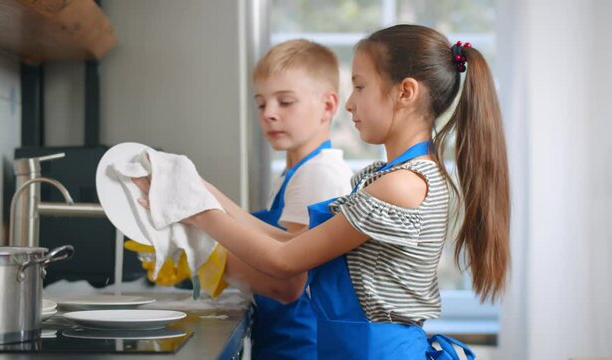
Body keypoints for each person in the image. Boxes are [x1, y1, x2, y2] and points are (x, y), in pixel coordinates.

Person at [135, 24, 510, 359]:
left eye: (360, 87)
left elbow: (285, 261)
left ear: (405, 92)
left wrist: (194, 210)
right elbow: (286, 241)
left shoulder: (401, 185)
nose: (350, 103)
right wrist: (202, 190)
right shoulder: (396, 177)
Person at [209, 39, 352, 360]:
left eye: (285, 102)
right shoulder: (294, 175)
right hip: (281, 344)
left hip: (302, 348)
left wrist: (205, 259)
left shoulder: (319, 174)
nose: (269, 114)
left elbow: (288, 284)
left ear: (328, 106)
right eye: (261, 104)